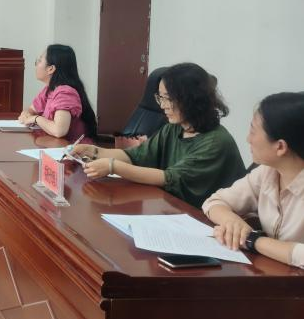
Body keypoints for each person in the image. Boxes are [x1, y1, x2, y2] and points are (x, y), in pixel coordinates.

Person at [73, 62, 245, 208]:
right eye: (160, 97)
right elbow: (134, 156)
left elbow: (169, 178)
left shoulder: (215, 142)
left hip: (209, 222)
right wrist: (93, 151)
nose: (162, 105)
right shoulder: (174, 129)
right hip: (174, 209)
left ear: (191, 99)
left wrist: (113, 167)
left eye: (168, 98)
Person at [203, 92, 304, 268]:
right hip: (272, 272)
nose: (248, 139)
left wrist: (253, 240)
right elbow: (214, 202)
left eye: (253, 131)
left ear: (280, 146)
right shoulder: (268, 172)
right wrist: (232, 223)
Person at [17, 44, 97, 141]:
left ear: (50, 69)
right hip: (53, 144)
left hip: (72, 148)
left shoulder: (65, 93)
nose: (36, 64)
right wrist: (26, 114)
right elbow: (31, 109)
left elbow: (59, 131)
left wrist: (36, 118)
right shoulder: (49, 90)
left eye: (39, 60)